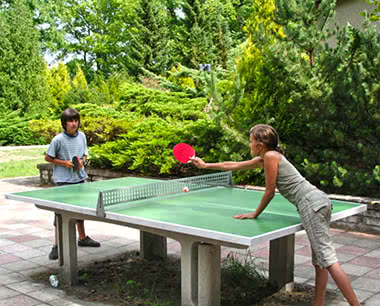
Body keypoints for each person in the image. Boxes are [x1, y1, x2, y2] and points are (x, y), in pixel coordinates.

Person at [191, 124, 361, 306]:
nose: (249, 144)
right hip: (320, 201)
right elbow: (233, 165)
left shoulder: (271, 156)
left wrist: (254, 213)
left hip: (310, 204)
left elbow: (270, 191)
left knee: (328, 261)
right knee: (320, 262)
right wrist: (205, 165)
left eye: (251, 141)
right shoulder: (268, 157)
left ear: (260, 144)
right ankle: (318, 303)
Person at [46, 108, 100, 260]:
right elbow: (48, 158)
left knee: (79, 212)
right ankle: (57, 245)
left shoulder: (82, 136)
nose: (74, 123)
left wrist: (82, 162)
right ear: (64, 123)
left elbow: (84, 155)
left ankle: (82, 238)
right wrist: (64, 163)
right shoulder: (58, 140)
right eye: (71, 121)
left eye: (76, 120)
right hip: (63, 181)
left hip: (79, 179)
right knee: (59, 214)